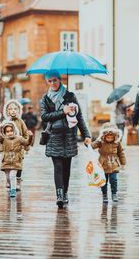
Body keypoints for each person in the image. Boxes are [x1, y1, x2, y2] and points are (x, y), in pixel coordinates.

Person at [40, 70, 91, 208]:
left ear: (60, 80)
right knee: (58, 166)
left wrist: (86, 135)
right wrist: (63, 112)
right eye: (49, 81)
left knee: (67, 168)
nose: (52, 83)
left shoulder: (70, 96)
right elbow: (44, 117)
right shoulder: (45, 98)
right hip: (54, 136)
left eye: (54, 80)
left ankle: (66, 193)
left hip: (69, 135)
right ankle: (60, 195)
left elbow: (79, 117)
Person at [0, 122, 33, 197]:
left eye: (11, 131)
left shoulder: (19, 139)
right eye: (7, 131)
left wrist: (30, 136)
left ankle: (13, 190)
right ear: (4, 133)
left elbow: (27, 143)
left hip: (16, 161)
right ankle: (10, 185)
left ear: (14, 131)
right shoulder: (3, 139)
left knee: (12, 176)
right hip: (6, 161)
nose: (10, 133)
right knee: (8, 177)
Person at [2, 99, 33, 190]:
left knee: (18, 164)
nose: (13, 111)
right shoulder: (5, 122)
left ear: (19, 110)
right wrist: (1, 148)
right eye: (11, 109)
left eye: (15, 109)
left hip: (19, 147)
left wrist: (26, 146)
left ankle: (18, 180)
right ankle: (8, 179)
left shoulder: (20, 121)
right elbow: (1, 137)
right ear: (7, 111)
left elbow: (25, 133)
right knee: (7, 164)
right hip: (7, 148)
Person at [91, 123, 126, 203]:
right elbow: (93, 146)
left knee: (114, 179)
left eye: (111, 137)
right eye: (108, 137)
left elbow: (120, 152)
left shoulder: (117, 143)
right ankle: (104, 195)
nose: (110, 139)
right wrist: (88, 144)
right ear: (104, 136)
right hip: (103, 164)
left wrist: (123, 161)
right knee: (104, 180)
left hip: (114, 163)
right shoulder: (100, 142)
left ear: (115, 136)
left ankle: (114, 193)